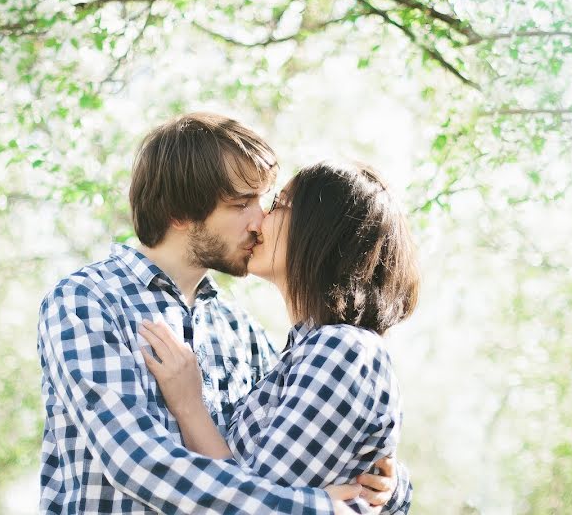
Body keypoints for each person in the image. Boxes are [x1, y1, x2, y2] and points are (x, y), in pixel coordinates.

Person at [38, 113, 411, 514]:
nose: (259, 220)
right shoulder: (88, 302)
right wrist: (316, 509)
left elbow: (298, 440)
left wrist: (388, 482)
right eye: (241, 204)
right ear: (179, 213)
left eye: (264, 201)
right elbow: (138, 461)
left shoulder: (240, 331)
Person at [139, 162, 418, 514]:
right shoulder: (300, 353)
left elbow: (249, 505)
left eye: (279, 205)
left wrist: (189, 406)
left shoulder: (341, 351)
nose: (258, 221)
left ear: (321, 231)